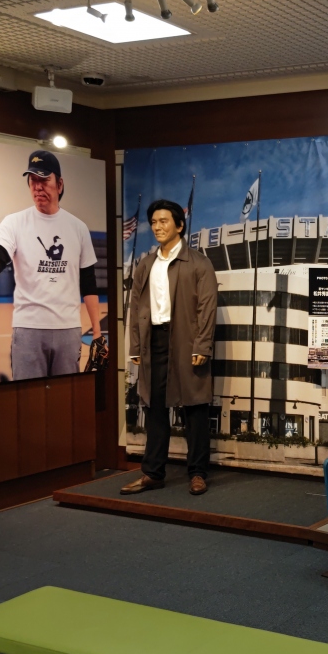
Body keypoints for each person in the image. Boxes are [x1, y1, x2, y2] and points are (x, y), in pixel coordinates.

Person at [0, 150, 101, 380]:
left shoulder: (78, 228)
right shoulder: (14, 223)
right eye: (33, 180)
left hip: (68, 329)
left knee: (65, 398)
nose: (38, 187)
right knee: (28, 398)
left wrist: (97, 333)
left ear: (60, 184)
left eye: (44, 180)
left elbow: (89, 284)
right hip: (28, 329)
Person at [120, 200, 217, 497]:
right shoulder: (146, 264)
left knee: (195, 408)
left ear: (179, 225)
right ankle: (153, 473)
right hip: (154, 341)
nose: (157, 227)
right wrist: (136, 346)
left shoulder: (198, 263)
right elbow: (136, 306)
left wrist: (202, 344)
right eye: (154, 222)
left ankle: (197, 473)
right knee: (155, 408)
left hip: (187, 341)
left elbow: (207, 307)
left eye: (164, 221)